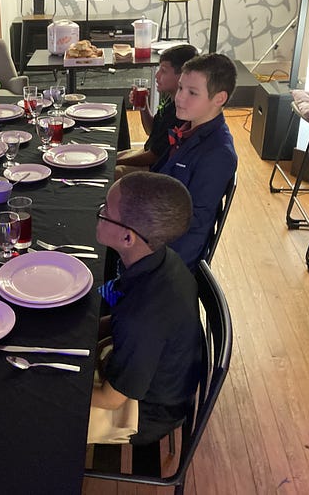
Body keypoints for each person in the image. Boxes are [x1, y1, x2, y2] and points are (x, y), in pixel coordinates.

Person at [88, 171, 202, 448]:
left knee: (42, 412)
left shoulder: (141, 317)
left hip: (146, 411)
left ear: (128, 238)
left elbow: (111, 399)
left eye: (105, 210)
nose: (99, 212)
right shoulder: (161, 258)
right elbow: (118, 316)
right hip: (143, 368)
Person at [151, 53, 238, 270]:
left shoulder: (218, 154)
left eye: (192, 93)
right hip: (156, 223)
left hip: (170, 257)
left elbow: (193, 224)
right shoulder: (189, 128)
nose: (179, 98)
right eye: (181, 88)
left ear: (219, 98)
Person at [116, 44, 198, 177]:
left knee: (110, 172)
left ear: (182, 75)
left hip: (159, 169)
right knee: (110, 155)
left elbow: (154, 157)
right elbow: (151, 131)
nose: (157, 75)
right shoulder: (170, 98)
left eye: (163, 71)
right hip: (148, 153)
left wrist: (116, 161)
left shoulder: (182, 113)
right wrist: (143, 106)